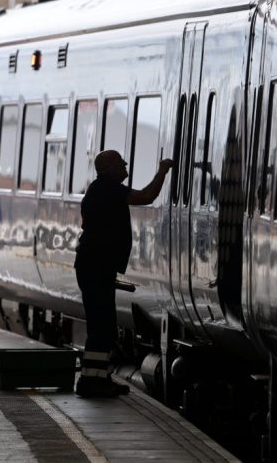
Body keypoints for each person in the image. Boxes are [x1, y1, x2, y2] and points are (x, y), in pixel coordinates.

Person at [73, 150, 174, 398]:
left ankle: (97, 379)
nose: (125, 163)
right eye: (120, 161)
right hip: (95, 269)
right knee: (102, 327)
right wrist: (162, 171)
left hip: (96, 267)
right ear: (107, 167)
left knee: (103, 326)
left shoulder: (100, 189)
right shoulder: (107, 188)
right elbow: (147, 196)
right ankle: (91, 382)